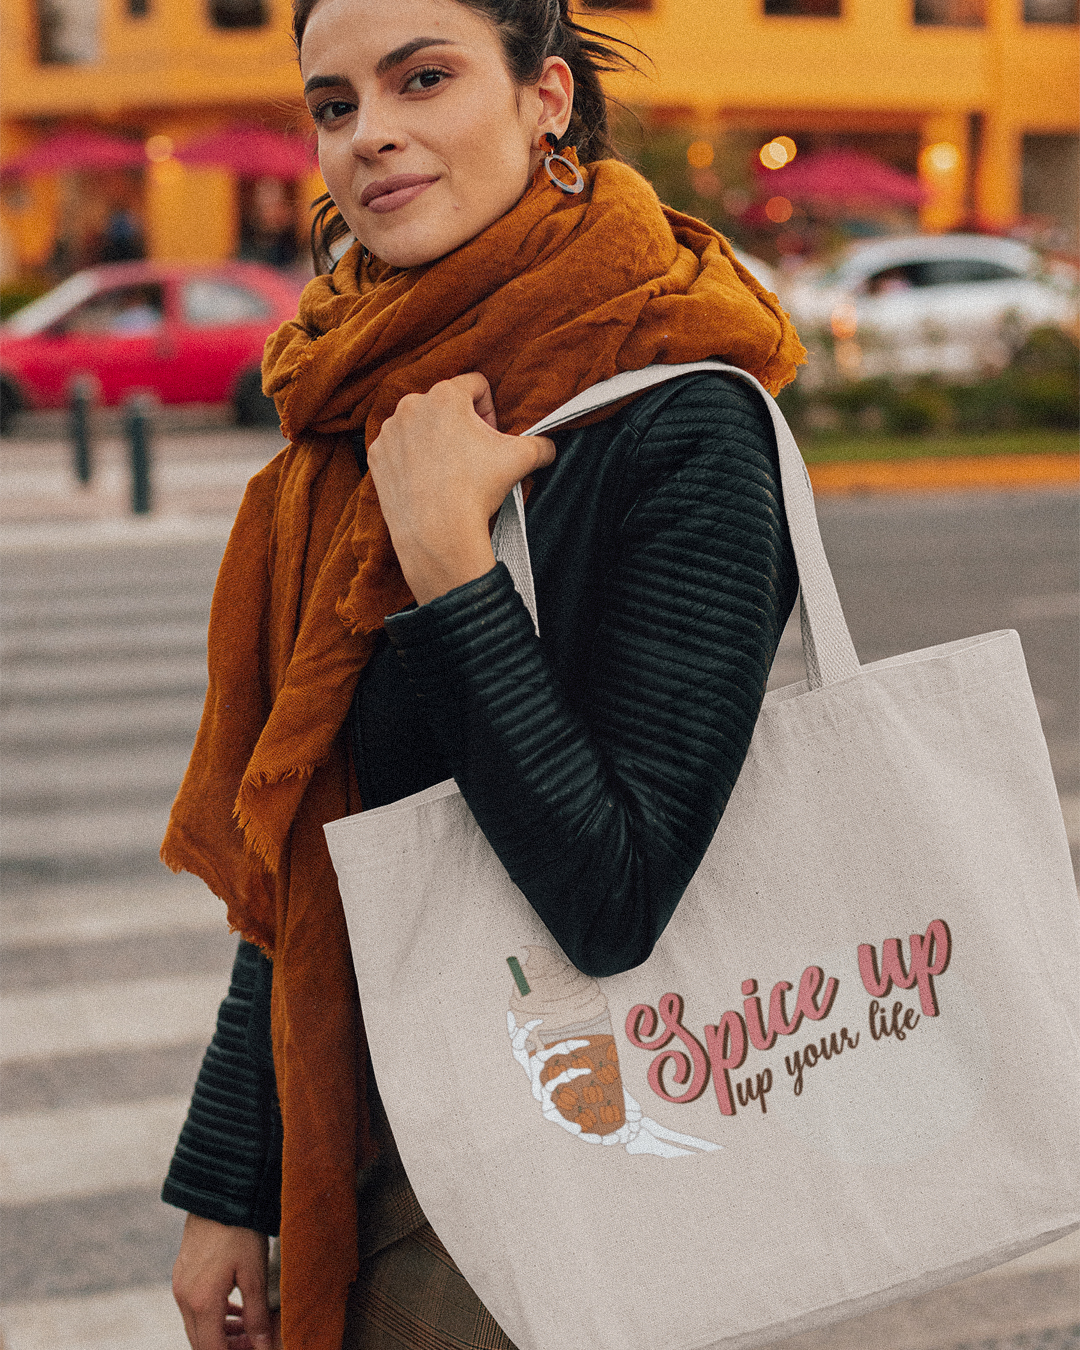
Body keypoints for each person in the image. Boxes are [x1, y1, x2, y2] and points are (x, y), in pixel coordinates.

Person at [159, 0, 806, 1346]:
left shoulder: (679, 417)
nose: (371, 133)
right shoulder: (354, 420)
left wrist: (451, 566)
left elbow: (614, 891)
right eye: (335, 105)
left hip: (589, 1180)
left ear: (546, 98)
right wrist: (232, 1181)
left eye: (424, 78)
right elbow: (309, 853)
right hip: (378, 1163)